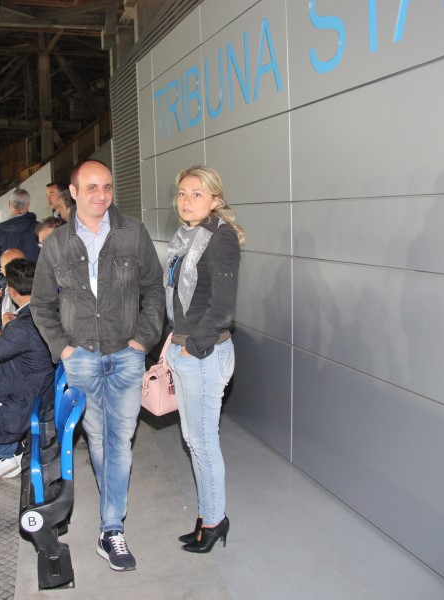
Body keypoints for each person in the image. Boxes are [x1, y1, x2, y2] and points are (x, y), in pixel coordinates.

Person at [31, 159, 165, 572]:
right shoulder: (57, 243)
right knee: (100, 441)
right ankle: (112, 521)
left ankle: (111, 529)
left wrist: (142, 340)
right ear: (73, 193)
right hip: (82, 359)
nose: (101, 195)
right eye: (91, 187)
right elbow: (41, 303)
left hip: (126, 356)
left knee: (119, 441)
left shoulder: (132, 232)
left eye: (106, 186)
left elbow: (154, 290)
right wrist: (63, 349)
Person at [164, 165, 244, 554]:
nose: (187, 200)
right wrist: (173, 339)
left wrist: (191, 347)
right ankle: (206, 514)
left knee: (203, 441)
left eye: (197, 193)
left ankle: (214, 521)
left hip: (205, 354)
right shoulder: (187, 237)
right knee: (193, 440)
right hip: (188, 349)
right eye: (182, 193)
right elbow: (185, 301)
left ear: (215, 199)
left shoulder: (221, 237)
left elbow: (222, 307)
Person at [0, 259, 54, 483]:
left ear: (12, 292)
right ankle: (4, 451)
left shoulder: (21, 328)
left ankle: (4, 454)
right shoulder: (45, 312)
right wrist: (5, 333)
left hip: (21, 402)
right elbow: (23, 345)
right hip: (35, 390)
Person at [0, 188, 40, 288]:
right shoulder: (39, 228)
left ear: (9, 204)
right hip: (37, 283)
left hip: (10, 285)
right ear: (28, 206)